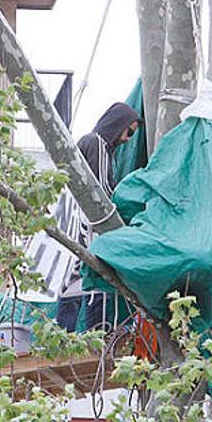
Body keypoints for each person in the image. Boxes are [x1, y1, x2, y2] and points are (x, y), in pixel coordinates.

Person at [55, 102, 140, 332]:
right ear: (118, 124)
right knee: (97, 278)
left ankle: (64, 335)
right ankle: (98, 334)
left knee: (73, 282)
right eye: (129, 132)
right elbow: (102, 191)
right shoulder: (97, 143)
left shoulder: (86, 142)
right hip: (88, 227)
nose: (128, 139)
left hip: (72, 226)